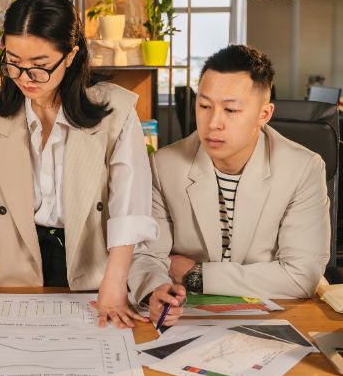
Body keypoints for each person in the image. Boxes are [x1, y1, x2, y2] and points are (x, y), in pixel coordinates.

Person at [0, 0, 183, 328]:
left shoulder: (116, 112)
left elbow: (129, 205)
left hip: (94, 258)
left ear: (70, 56)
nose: (25, 79)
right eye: (13, 63)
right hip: (19, 259)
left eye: (39, 67)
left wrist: (114, 282)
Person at [131, 44, 330, 315]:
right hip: (186, 315)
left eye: (231, 110)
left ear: (264, 114)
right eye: (204, 106)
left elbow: (299, 276)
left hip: (275, 315)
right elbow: (147, 257)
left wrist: (195, 274)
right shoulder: (163, 166)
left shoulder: (302, 168)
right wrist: (156, 289)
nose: (213, 122)